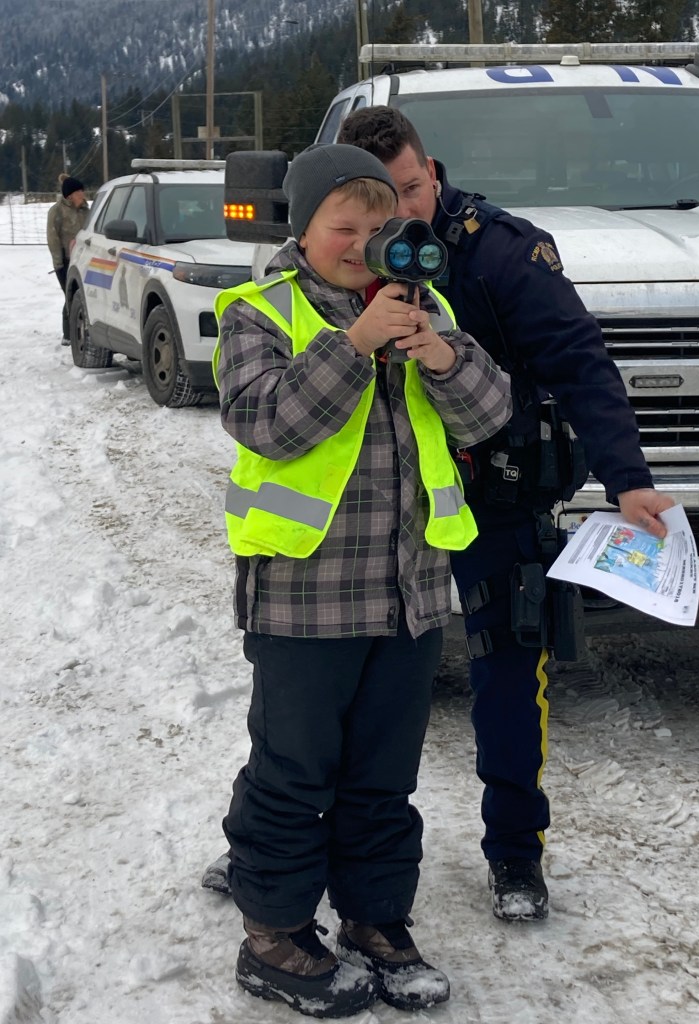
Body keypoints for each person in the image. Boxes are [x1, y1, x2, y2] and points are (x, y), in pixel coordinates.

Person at [334, 107, 675, 924]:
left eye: (409, 189)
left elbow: (580, 361)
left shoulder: (501, 250)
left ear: (431, 171)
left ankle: (517, 854)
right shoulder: (334, 253)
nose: (399, 214)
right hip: (378, 498)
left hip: (495, 489)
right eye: (378, 199)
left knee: (509, 674)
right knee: (328, 680)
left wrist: (628, 478)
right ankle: (278, 835)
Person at [213, 143, 513, 1018]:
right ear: (303, 230)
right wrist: (354, 345)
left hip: (409, 595)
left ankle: (376, 920)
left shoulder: (426, 305)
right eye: (343, 227)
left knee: (384, 776)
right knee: (293, 773)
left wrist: (442, 359)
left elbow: (490, 415)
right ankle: (273, 935)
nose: (363, 244)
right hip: (304, 600)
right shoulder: (260, 311)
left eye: (379, 227)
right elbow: (267, 422)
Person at [46, 174, 88, 341]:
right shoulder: (56, 211)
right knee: (71, 295)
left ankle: (76, 332)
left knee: (80, 295)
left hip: (85, 260)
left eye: (82, 191)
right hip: (66, 262)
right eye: (79, 192)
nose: (83, 194)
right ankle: (69, 334)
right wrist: (58, 264)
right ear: (70, 195)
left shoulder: (86, 210)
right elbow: (53, 238)